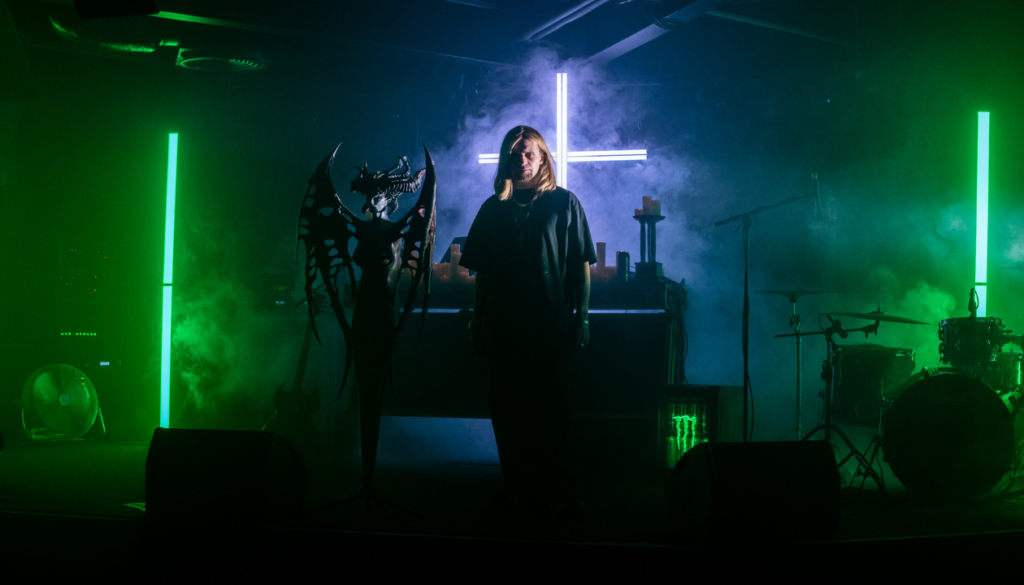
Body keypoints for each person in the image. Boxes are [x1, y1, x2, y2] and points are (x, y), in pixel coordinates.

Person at [458, 125, 596, 517]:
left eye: (528, 153)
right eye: (514, 153)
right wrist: (477, 321)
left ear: (542, 158)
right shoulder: (493, 208)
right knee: (507, 409)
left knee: (553, 408)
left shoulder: (563, 202)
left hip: (549, 323)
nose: (521, 160)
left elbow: (580, 263)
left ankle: (561, 491)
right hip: (504, 324)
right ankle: (516, 488)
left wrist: (583, 317)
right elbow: (483, 273)